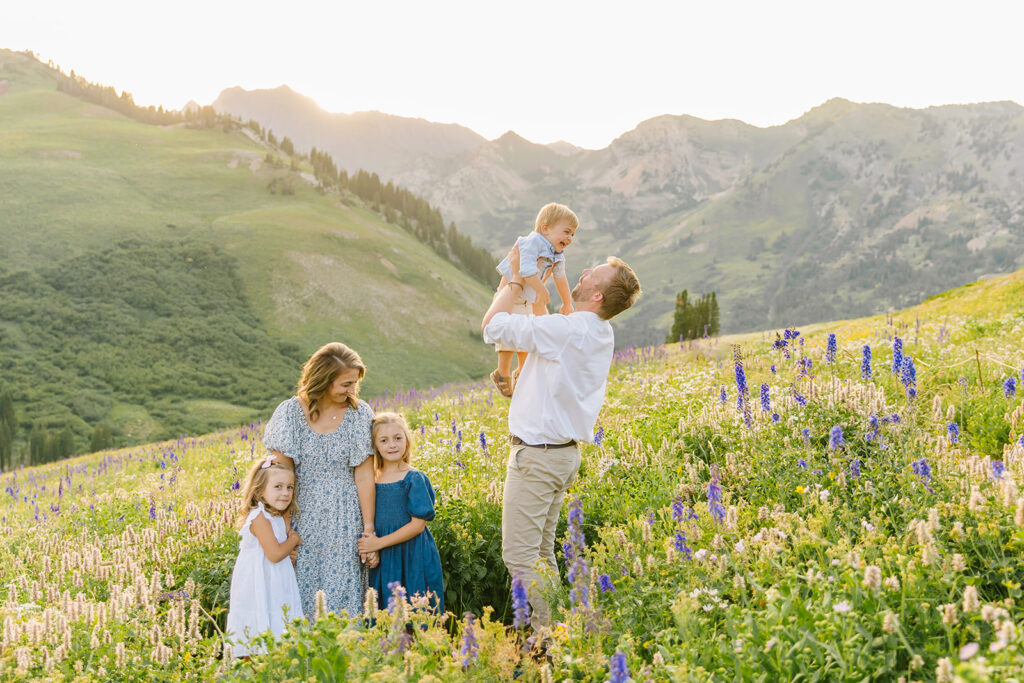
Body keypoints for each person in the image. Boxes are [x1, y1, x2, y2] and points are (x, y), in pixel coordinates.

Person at [482, 249, 641, 628]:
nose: (583, 272)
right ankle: (553, 633)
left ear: (598, 295)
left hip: (538, 458)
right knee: (540, 552)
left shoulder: (567, 330)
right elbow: (550, 357)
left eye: (592, 274)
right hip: (562, 456)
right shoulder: (599, 331)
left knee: (519, 557)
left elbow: (492, 327)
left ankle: (551, 634)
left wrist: (517, 279)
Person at [263, 342, 377, 621]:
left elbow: (364, 476)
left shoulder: (360, 414)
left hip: (345, 517)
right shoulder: (290, 413)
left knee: (344, 596)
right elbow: (280, 480)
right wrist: (285, 536)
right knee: (299, 592)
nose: (352, 390)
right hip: (302, 516)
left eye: (355, 383)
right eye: (346, 384)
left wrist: (368, 529)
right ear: (324, 380)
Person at [357, 412, 444, 613]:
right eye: (384, 440)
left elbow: (417, 525)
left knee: (416, 610)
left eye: (398, 438)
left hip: (412, 554)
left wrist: (378, 543)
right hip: (384, 557)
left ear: (407, 439)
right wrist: (372, 547)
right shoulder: (370, 480)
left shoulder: (413, 478)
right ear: (375, 445)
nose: (392, 445)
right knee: (385, 612)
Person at [489, 203, 578, 398]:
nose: (570, 238)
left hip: (527, 300)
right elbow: (525, 270)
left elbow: (560, 278)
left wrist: (567, 302)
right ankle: (502, 373)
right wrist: (541, 289)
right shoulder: (531, 243)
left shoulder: (557, 253)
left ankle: (523, 372)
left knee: (527, 335)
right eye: (566, 232)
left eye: (573, 234)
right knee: (508, 334)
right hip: (510, 295)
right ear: (545, 228)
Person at [226, 455, 304, 658]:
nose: (285, 493)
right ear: (260, 491)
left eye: (289, 487)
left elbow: (282, 551)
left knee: (275, 625)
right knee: (255, 628)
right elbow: (275, 553)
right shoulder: (258, 516)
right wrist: (294, 540)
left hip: (274, 582)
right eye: (278, 487)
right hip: (257, 584)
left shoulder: (276, 515)